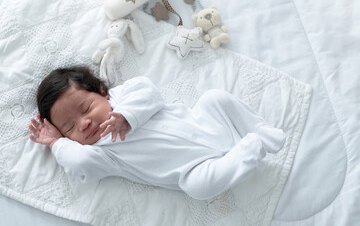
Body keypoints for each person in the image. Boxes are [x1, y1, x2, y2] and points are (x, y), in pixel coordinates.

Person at [29, 66, 285, 200]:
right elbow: (79, 163)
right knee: (198, 188)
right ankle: (251, 148)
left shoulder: (122, 98)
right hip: (194, 168)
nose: (83, 124)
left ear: (102, 91)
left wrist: (127, 116)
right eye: (70, 128)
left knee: (213, 98)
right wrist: (55, 143)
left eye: (86, 108)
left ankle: (259, 128)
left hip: (207, 123)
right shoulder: (99, 153)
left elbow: (149, 91)